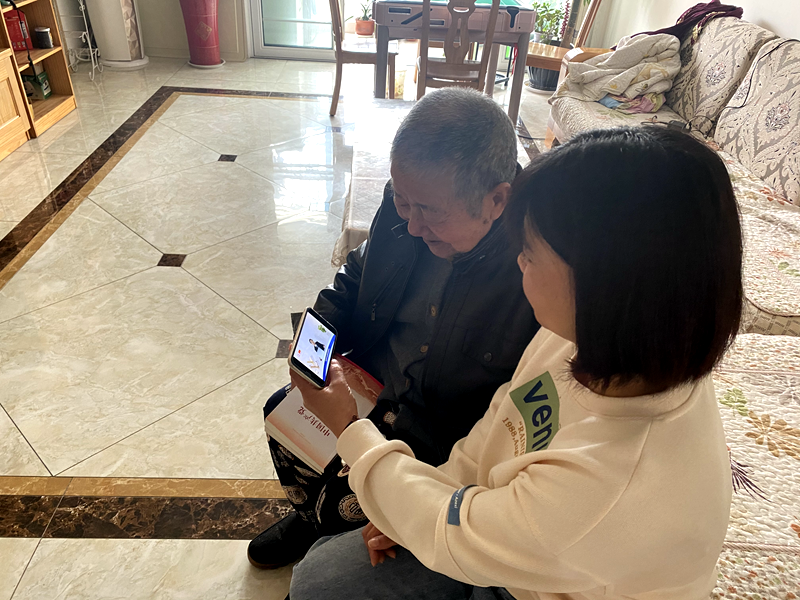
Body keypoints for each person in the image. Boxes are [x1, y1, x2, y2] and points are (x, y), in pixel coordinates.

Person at [288, 126, 742, 600]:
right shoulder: (588, 339)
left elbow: (456, 536)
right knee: (325, 570)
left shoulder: (611, 486)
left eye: (529, 253)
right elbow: (501, 423)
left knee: (319, 585)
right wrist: (423, 495)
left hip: (535, 576)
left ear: (604, 286)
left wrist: (351, 432)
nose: (519, 263)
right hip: (507, 527)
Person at [247, 88, 539, 569]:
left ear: (496, 200)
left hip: (443, 435)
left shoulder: (537, 266)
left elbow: (516, 420)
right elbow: (357, 274)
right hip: (376, 381)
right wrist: (314, 344)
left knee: (345, 554)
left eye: (431, 211)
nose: (414, 225)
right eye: (402, 201)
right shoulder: (409, 205)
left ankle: (337, 529)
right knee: (284, 410)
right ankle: (313, 519)